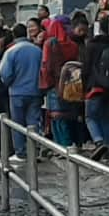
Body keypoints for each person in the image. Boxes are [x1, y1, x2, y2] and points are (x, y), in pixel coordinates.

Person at [81, 14, 109, 161]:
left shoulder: (92, 45)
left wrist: (84, 85)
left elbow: (86, 68)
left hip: (95, 87)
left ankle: (98, 141)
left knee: (91, 117)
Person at [0, 23, 44, 160]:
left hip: (17, 92)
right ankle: (34, 150)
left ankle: (21, 152)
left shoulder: (11, 51)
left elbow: (5, 74)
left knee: (17, 123)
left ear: (13, 35)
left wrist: (9, 83)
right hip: (36, 91)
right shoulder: (37, 50)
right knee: (33, 122)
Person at [39, 15, 81, 146]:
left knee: (56, 117)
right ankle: (69, 144)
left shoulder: (49, 44)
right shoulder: (73, 45)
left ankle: (61, 146)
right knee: (67, 116)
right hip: (70, 83)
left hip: (54, 84)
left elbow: (46, 66)